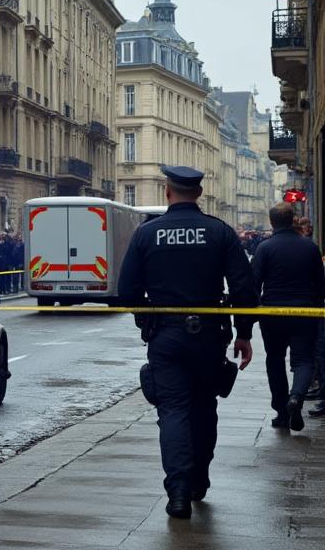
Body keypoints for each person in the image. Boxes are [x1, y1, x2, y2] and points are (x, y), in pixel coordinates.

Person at [116, 165, 257, 519]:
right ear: (199, 193)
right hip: (210, 336)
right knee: (205, 409)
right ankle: (199, 479)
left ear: (167, 191)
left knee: (173, 412)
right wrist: (243, 334)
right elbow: (244, 288)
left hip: (166, 337)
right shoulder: (219, 232)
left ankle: (177, 492)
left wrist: (147, 318)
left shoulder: (147, 234)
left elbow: (128, 290)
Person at [250, 203, 323, 432]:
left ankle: (281, 412)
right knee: (303, 360)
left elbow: (254, 283)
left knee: (275, 360)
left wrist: (248, 316)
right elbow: (320, 285)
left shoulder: (264, 248)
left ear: (272, 222)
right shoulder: (309, 248)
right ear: (293, 219)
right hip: (304, 312)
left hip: (272, 313)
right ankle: (296, 398)